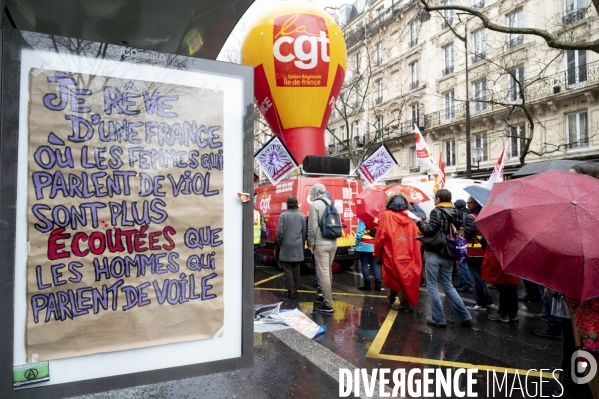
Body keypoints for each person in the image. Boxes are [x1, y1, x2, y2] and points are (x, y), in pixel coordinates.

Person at [416, 189, 474, 328]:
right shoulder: (457, 212)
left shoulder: (437, 211)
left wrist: (420, 222)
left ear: (438, 199)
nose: (434, 200)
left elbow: (429, 230)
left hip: (435, 253)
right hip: (450, 254)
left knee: (433, 286)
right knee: (448, 285)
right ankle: (465, 317)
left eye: (434, 198)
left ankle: (439, 319)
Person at [373, 193, 422, 312]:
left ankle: (404, 303)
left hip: (392, 252)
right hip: (409, 252)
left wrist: (377, 252)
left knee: (395, 276)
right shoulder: (409, 215)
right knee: (404, 276)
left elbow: (380, 236)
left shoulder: (386, 215)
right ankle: (393, 296)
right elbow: (417, 234)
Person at [308, 183, 337, 314]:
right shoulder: (331, 203)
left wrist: (311, 243)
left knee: (323, 272)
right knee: (328, 271)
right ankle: (324, 297)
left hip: (321, 243)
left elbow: (312, 227)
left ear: (314, 193)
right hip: (333, 242)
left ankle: (328, 304)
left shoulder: (315, 205)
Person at [464, 196, 494, 311]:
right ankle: (489, 300)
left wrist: (462, 230)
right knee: (481, 278)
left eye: (470, 203)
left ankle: (481, 303)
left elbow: (468, 233)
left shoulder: (471, 217)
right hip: (482, 251)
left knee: (477, 279)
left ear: (476, 203)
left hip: (473, 252)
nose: (468, 205)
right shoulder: (483, 215)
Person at [276, 195, 306, 299]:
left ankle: (291, 290)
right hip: (297, 245)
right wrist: (300, 243)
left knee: (287, 269)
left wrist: (281, 243)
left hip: (286, 245)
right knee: (296, 269)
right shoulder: (302, 216)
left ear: (287, 204)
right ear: (297, 204)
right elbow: (304, 233)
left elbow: (279, 232)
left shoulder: (283, 216)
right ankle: (296, 289)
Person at [481, 245, 520, 323]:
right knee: (511, 286)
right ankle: (513, 313)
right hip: (510, 258)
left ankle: (503, 314)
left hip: (500, 260)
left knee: (504, 287)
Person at [453, 199, 474, 293]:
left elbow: (463, 229)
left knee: (462, 263)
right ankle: (462, 282)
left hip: (462, 242)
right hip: (465, 242)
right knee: (462, 263)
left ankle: (467, 284)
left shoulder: (462, 214)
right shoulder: (467, 213)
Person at [355, 219, 381, 292]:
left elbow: (360, 233)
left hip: (364, 245)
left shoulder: (363, 219)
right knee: (374, 264)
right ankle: (378, 285)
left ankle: (367, 285)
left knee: (364, 265)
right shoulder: (377, 219)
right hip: (374, 245)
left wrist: (356, 242)